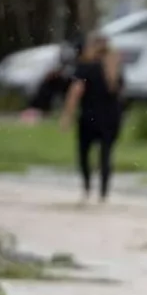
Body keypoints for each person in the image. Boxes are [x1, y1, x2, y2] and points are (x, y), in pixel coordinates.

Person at [60, 33, 125, 203]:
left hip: (89, 117)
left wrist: (67, 115)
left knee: (84, 153)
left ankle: (87, 187)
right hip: (111, 117)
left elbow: (76, 91)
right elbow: (118, 92)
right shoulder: (115, 69)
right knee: (106, 155)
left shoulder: (84, 67)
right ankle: (103, 193)